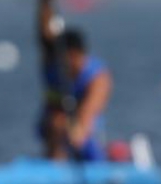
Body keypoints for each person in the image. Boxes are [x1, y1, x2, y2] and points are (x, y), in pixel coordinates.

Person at [37, 0, 112, 160]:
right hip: (52, 127)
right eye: (65, 58)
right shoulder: (52, 63)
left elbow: (90, 109)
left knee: (70, 130)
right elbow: (44, 33)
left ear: (81, 54)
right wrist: (44, 4)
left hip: (86, 131)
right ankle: (55, 159)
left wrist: (79, 130)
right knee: (56, 122)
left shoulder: (97, 75)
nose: (68, 63)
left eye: (73, 58)